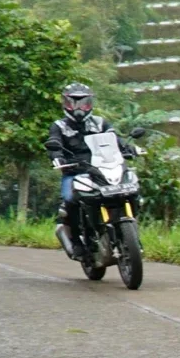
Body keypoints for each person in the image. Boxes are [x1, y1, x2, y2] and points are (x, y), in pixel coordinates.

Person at [46, 83, 133, 260]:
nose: (79, 108)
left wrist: (128, 148)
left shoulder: (100, 122)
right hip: (74, 171)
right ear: (65, 103)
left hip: (102, 169)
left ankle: (127, 229)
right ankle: (77, 243)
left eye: (83, 103)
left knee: (128, 187)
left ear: (90, 103)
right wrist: (57, 157)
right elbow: (53, 143)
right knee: (70, 200)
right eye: (73, 103)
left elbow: (115, 138)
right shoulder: (59, 126)